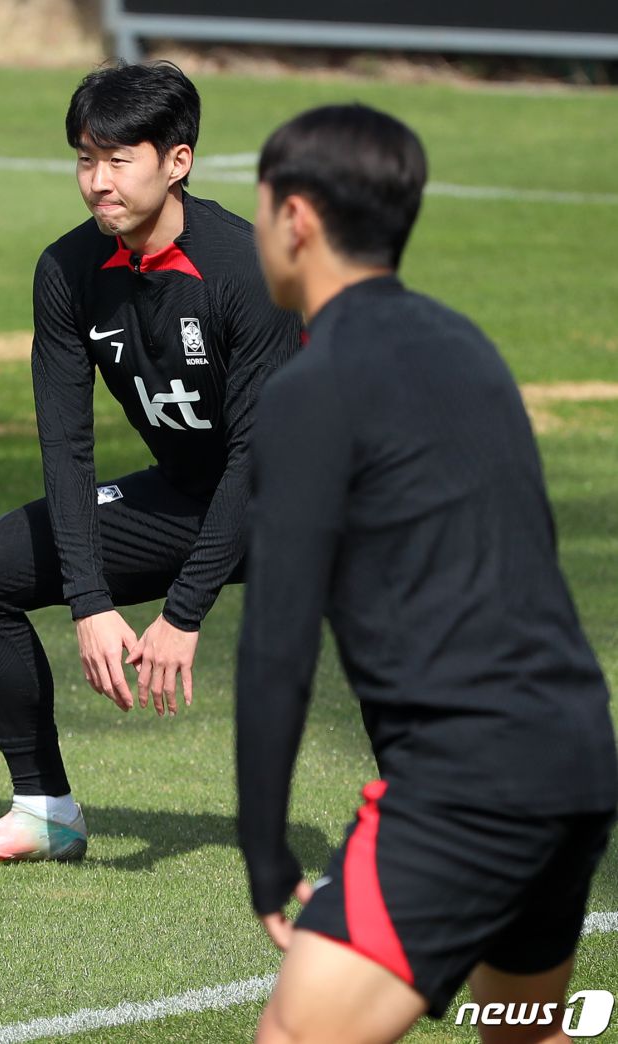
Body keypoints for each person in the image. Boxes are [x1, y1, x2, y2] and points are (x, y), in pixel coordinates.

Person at [237, 103, 617, 1044]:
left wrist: (264, 848)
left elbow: (277, 646)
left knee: (295, 1036)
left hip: (469, 789)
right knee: (521, 1034)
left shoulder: (308, 390)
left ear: (296, 220)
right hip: (573, 760)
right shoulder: (467, 347)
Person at [0, 61, 300, 865]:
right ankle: (44, 810)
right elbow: (66, 444)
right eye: (85, 159)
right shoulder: (66, 270)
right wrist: (88, 599)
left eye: (118, 159)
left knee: (395, 636)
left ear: (178, 162)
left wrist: (183, 613)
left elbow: (260, 454)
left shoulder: (250, 269)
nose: (97, 181)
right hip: (196, 494)